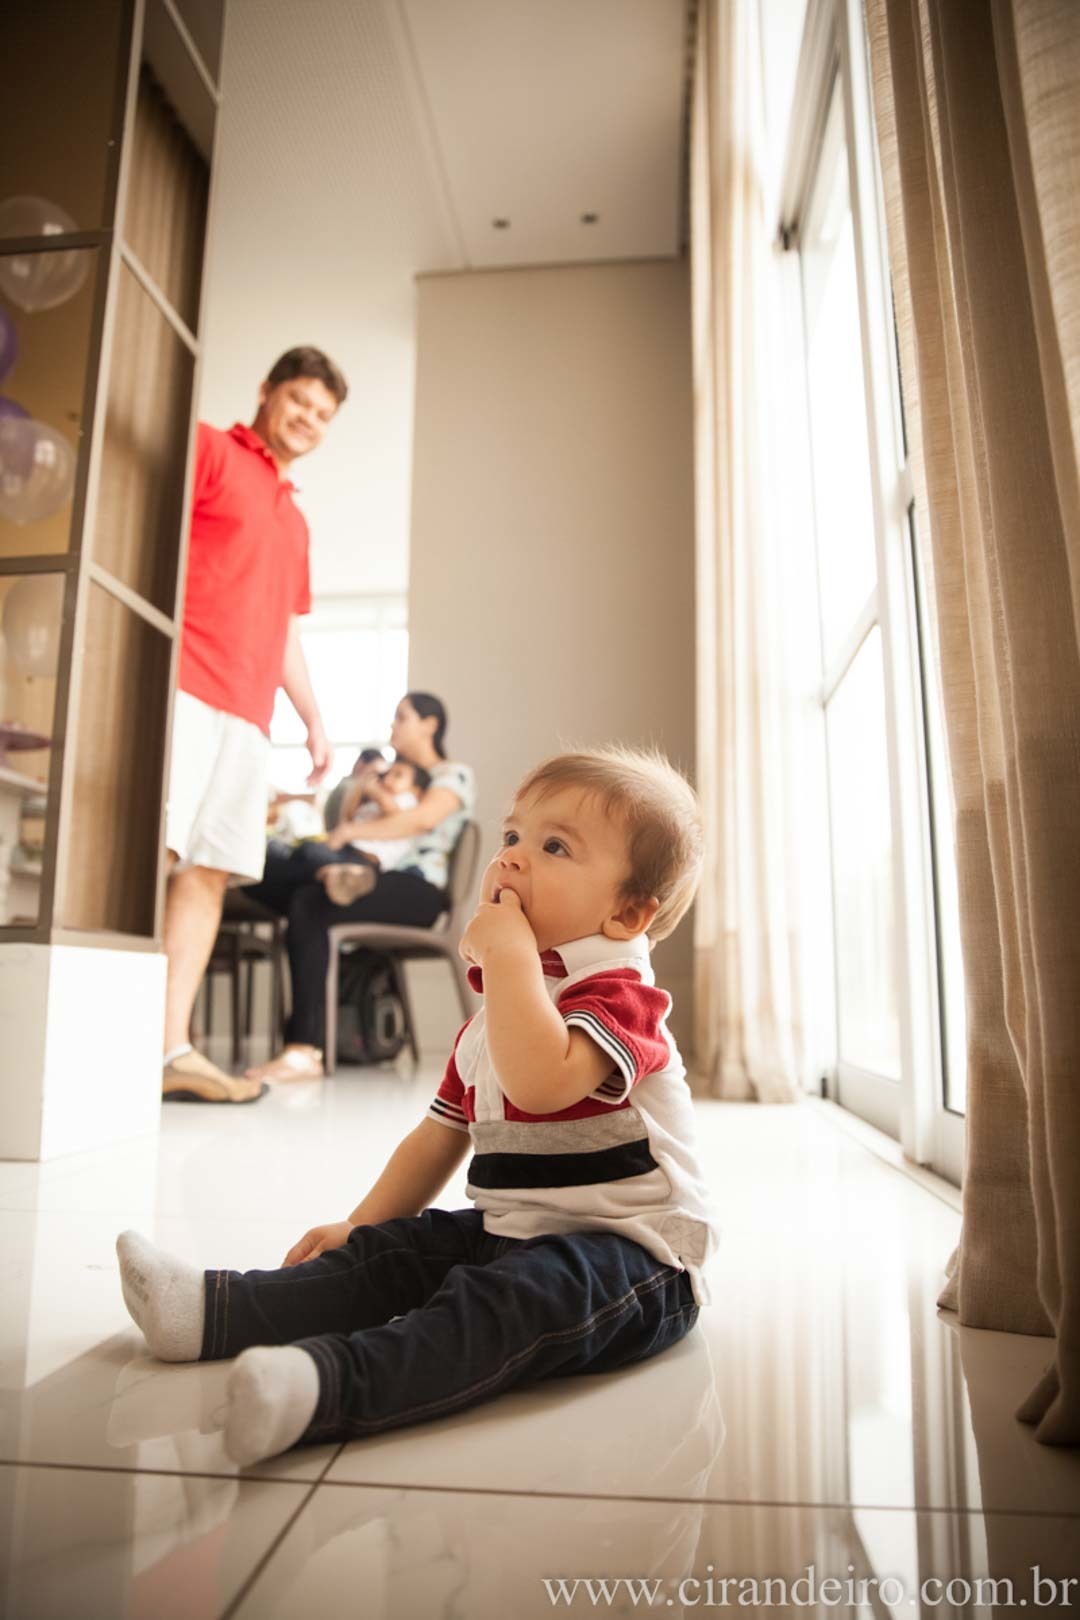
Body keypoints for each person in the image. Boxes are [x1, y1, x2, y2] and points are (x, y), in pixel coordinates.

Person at [115, 745, 718, 1467]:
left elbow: (541, 1080)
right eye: (512, 838)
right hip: (513, 1231)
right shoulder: (495, 1018)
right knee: (388, 1254)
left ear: (626, 912)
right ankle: (212, 1313)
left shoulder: (622, 998)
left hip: (635, 1262)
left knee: (505, 1305)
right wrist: (358, 1224)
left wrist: (508, 957)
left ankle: (326, 1387)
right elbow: (434, 1141)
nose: (515, 859)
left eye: (554, 846)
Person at [162, 347, 347, 1106]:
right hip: (180, 687)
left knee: (209, 870)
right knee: (152, 855)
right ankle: (101, 1031)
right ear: (268, 393)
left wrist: (312, 720)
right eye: (301, 400)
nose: (309, 419)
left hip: (247, 716)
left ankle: (167, 1048)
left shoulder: (296, 521)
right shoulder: (209, 449)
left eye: (325, 415)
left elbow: (285, 634)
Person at [241, 691, 475, 1082]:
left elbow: (419, 821)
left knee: (308, 902)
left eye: (402, 717)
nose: (392, 725)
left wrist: (348, 831)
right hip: (363, 873)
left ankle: (303, 1051)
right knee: (260, 876)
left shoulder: (452, 775)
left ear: (430, 725)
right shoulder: (386, 775)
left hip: (416, 890)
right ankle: (322, 873)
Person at [262, 756, 431, 890]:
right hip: (347, 851)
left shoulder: (408, 801)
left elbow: (391, 810)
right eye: (388, 774)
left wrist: (374, 791)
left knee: (309, 852)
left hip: (364, 861)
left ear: (416, 790)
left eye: (398, 775)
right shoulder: (374, 804)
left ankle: (287, 855)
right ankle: (290, 856)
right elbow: (349, 816)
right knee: (303, 854)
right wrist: (362, 790)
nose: (388, 780)